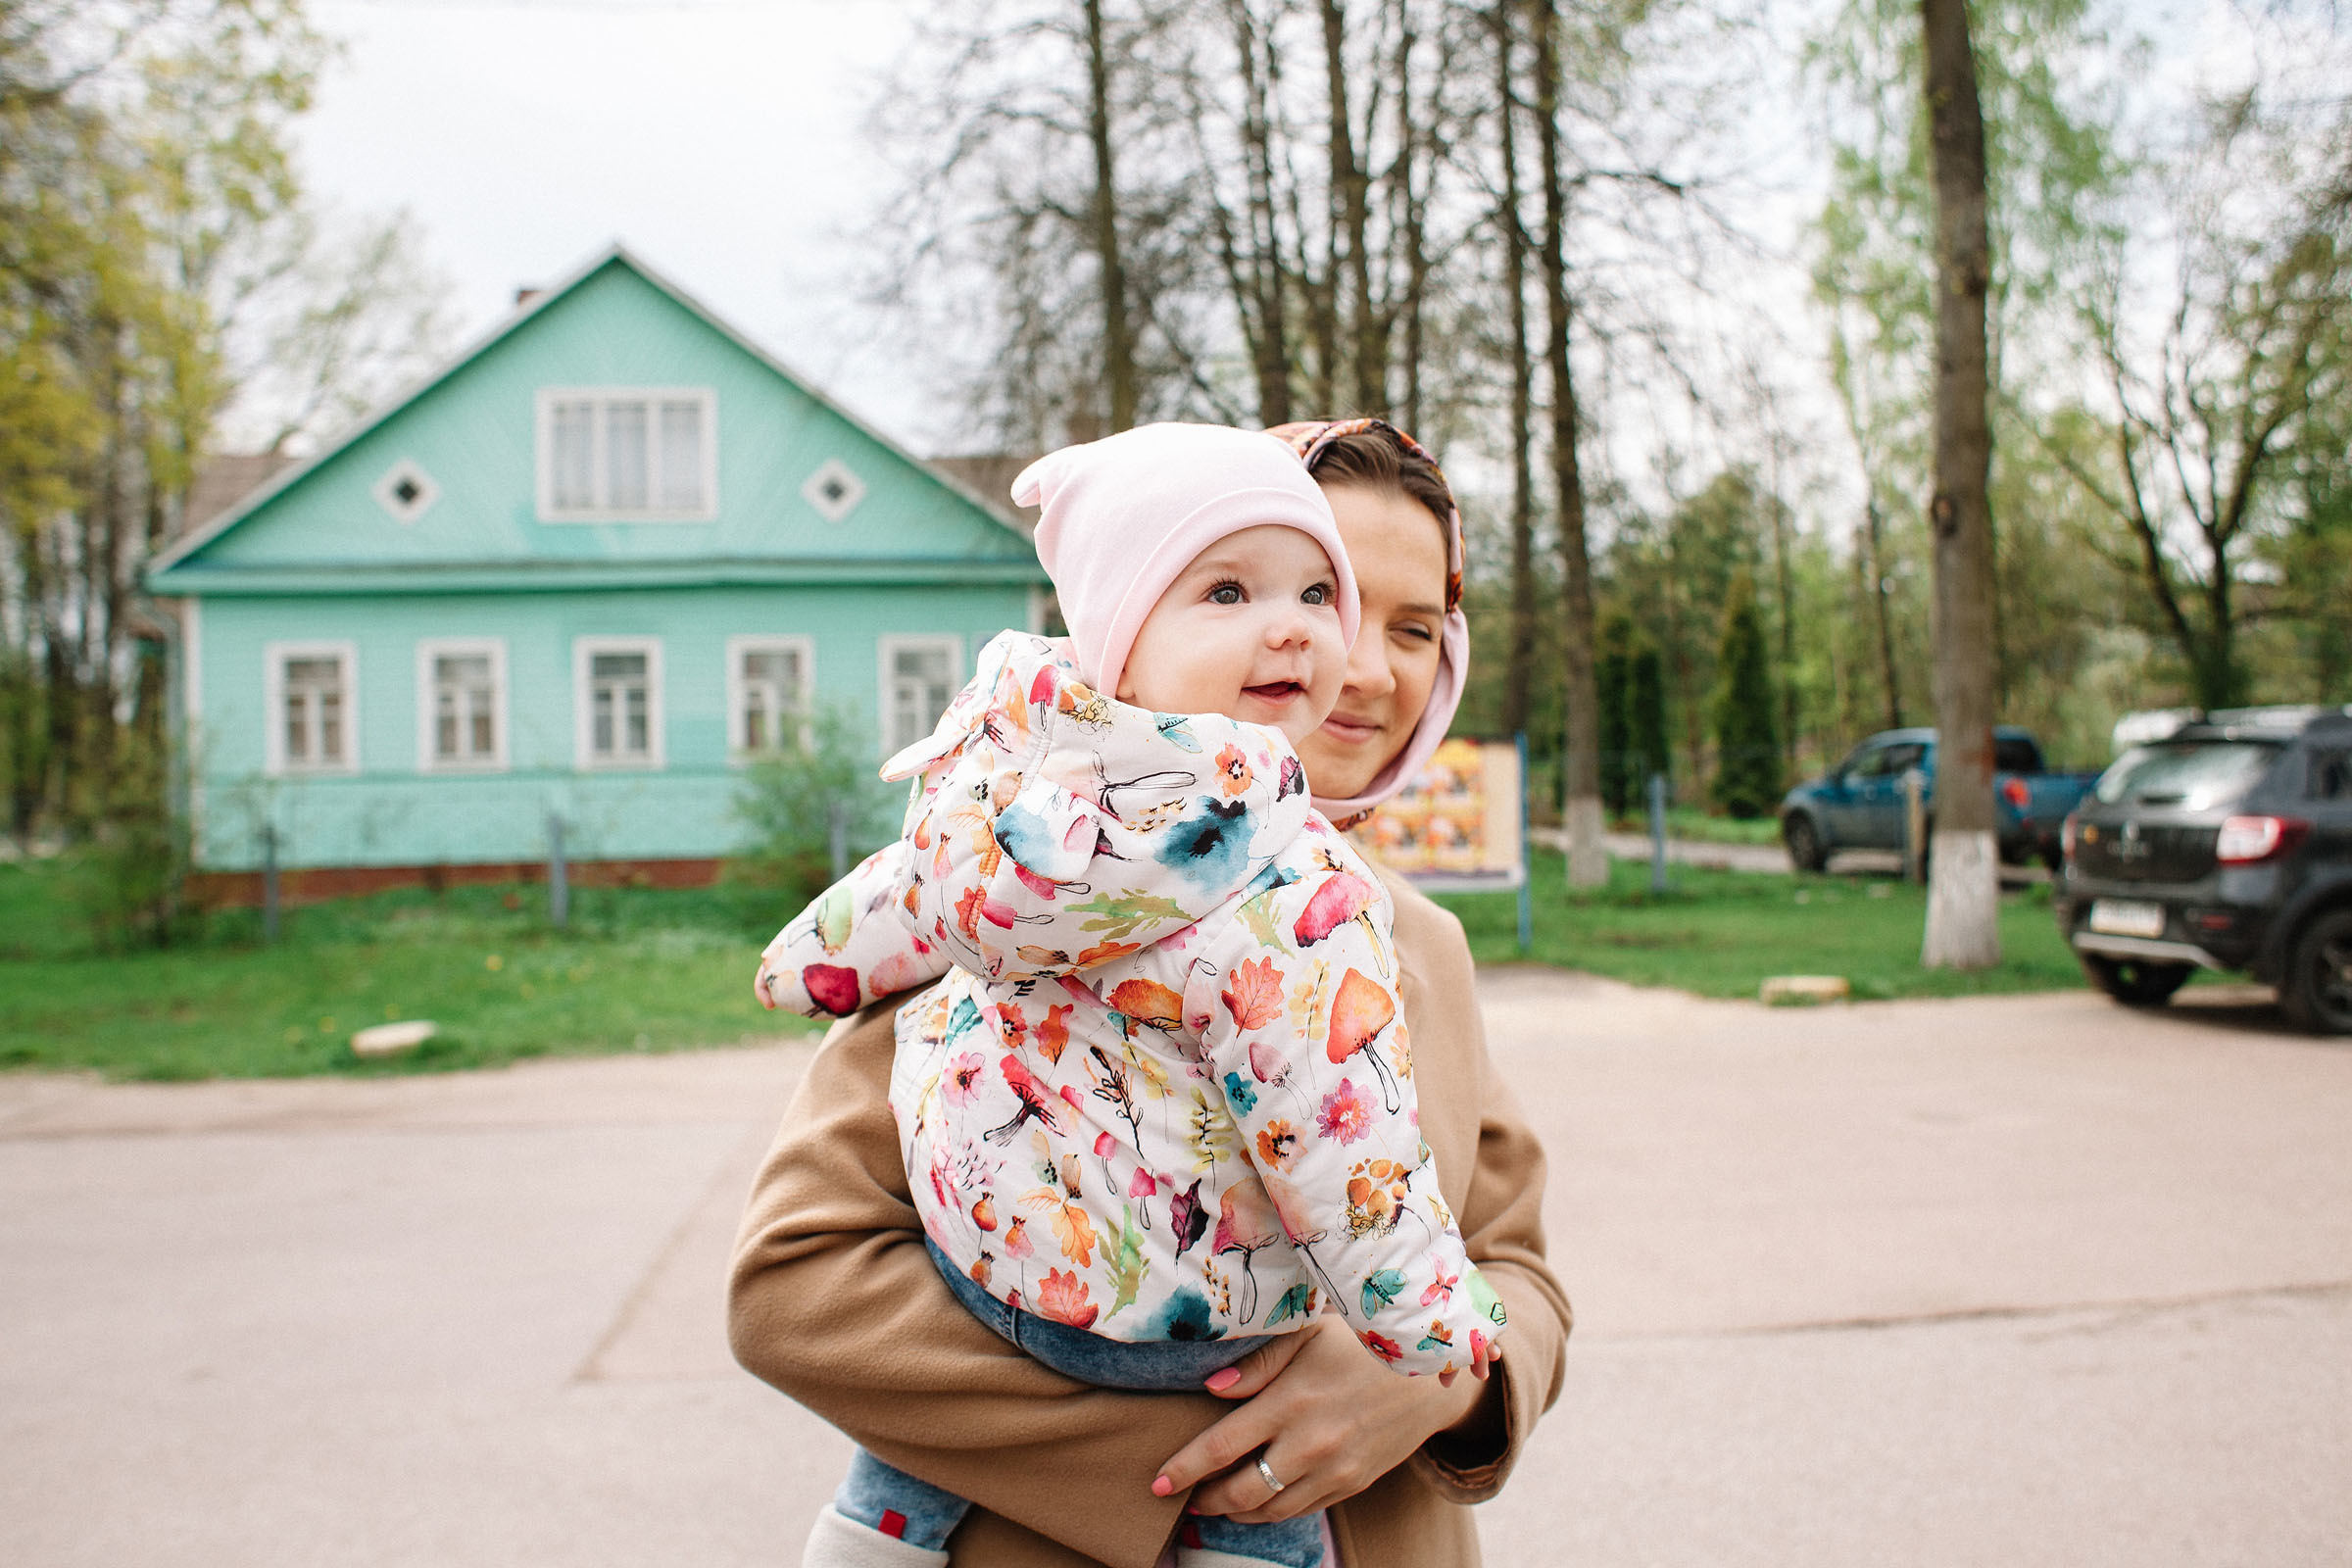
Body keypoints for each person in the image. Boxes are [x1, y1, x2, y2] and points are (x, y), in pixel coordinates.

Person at [731, 418, 1570, 1568]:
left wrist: (1437, 1393)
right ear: (1139, 616)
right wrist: (1201, 1431)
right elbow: (796, 1287)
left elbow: (1514, 1266)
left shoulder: (1418, 941)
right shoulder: (1027, 887)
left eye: (1411, 624)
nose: (1361, 662)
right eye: (1248, 590)